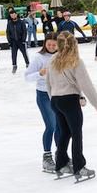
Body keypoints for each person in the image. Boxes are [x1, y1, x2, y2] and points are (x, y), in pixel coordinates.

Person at [48, 32, 97, 181]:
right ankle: (79, 167)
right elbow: (86, 85)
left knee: (65, 133)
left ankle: (60, 164)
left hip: (55, 100)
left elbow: (49, 83)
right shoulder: (75, 61)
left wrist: (53, 99)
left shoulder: (53, 59)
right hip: (69, 101)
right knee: (76, 134)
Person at [25, 33, 62, 173]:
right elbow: (27, 77)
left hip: (59, 94)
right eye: (49, 44)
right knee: (51, 126)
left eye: (54, 44)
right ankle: (47, 158)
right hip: (43, 95)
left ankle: (61, 155)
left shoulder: (60, 57)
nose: (51, 47)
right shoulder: (38, 57)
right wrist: (39, 74)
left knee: (60, 126)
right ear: (45, 43)